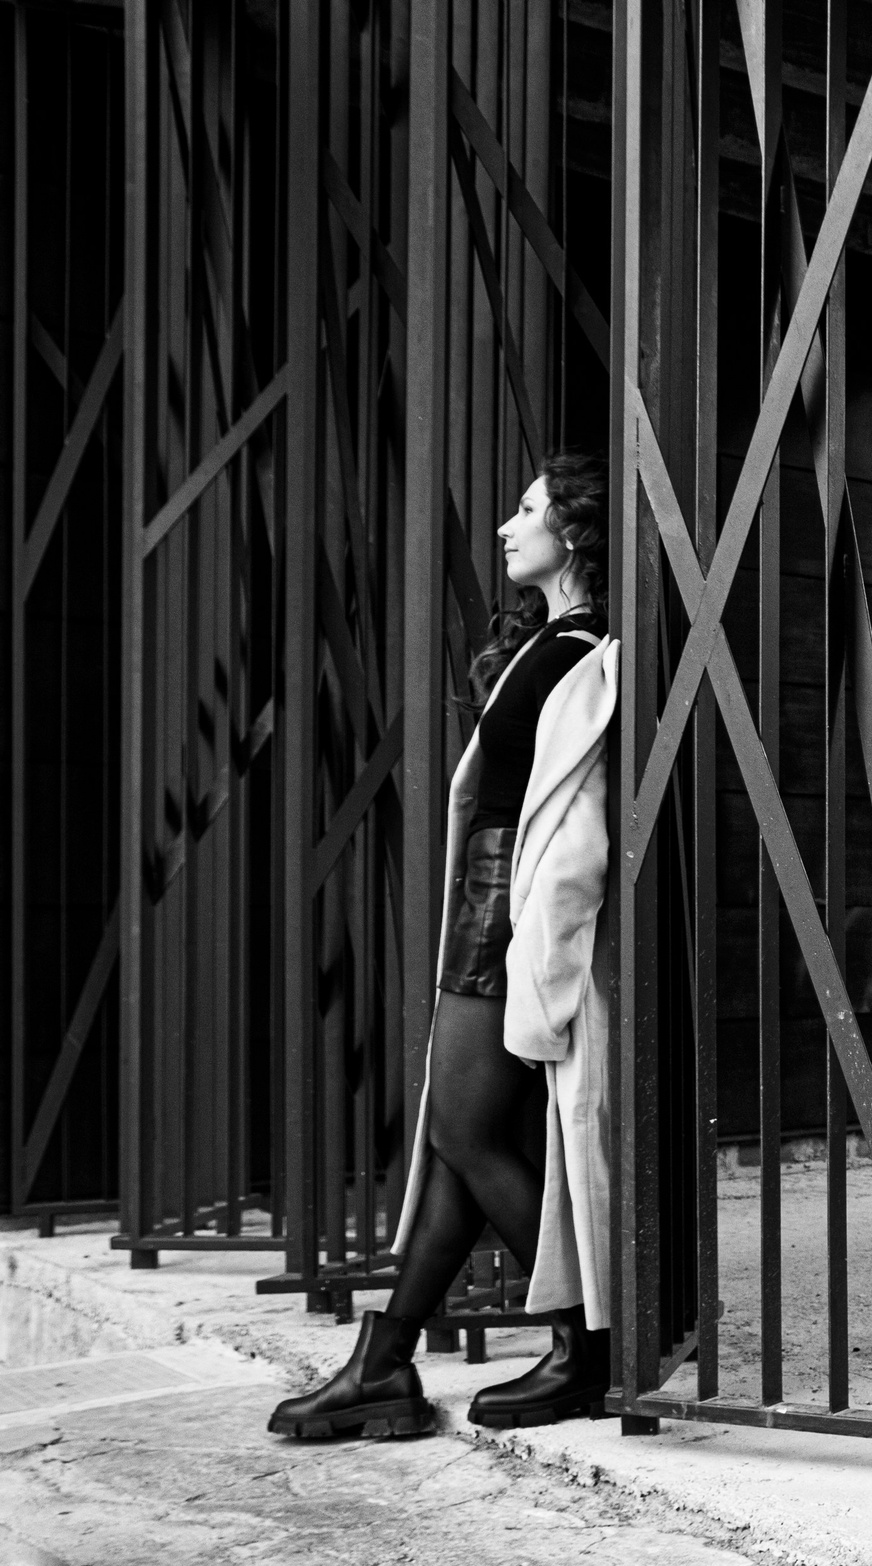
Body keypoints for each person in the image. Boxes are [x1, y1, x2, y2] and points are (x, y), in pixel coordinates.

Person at [271, 452, 621, 1439]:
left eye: (528, 510)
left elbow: (578, 825)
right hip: (486, 900)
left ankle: (584, 1346)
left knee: (466, 1132)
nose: (507, 528)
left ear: (575, 534)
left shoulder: (591, 655)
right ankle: (383, 1365)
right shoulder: (541, 644)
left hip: (517, 910)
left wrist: (539, 956)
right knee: (451, 1137)